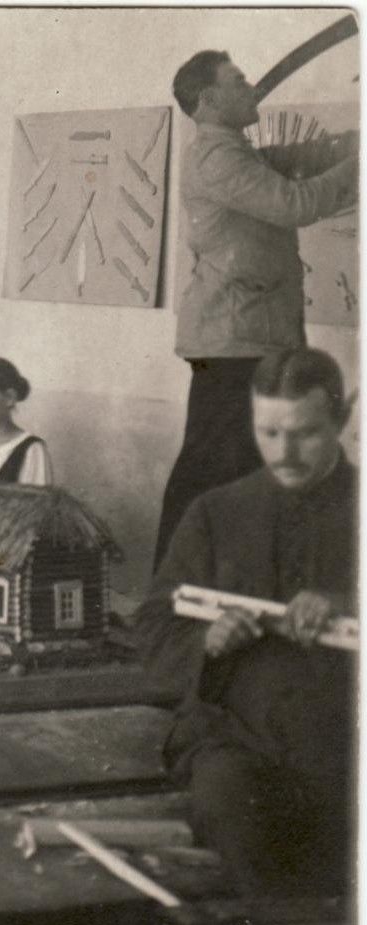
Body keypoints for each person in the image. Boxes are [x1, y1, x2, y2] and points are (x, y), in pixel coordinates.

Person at [139, 347, 356, 899]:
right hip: (235, 737)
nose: (284, 453)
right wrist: (207, 641)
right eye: (269, 433)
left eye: (305, 434)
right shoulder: (216, 512)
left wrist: (348, 603)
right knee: (229, 809)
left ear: (343, 417)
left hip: (345, 741)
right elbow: (155, 628)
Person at [158, 50, 358, 568]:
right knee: (210, 475)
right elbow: (295, 203)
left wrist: (346, 145)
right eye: (239, 81)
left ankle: (218, 591)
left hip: (249, 337)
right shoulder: (217, 159)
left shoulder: (235, 152)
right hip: (233, 344)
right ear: (209, 99)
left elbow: (294, 160)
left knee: (241, 475)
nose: (251, 88)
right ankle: (172, 594)